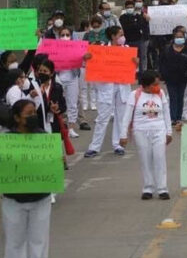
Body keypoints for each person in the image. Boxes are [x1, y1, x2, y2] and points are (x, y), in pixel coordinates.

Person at [2, 99, 53, 258]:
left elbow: (51, 166)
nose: (32, 117)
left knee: (39, 241)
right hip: (13, 200)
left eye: (34, 113)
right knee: (14, 242)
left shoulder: (43, 137)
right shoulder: (7, 140)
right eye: (28, 114)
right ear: (16, 118)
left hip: (40, 197)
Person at [84, 26, 137, 158]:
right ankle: (94, 147)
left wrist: (135, 63)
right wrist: (88, 58)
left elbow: (132, 72)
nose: (122, 37)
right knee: (102, 118)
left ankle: (118, 145)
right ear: (113, 36)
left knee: (121, 117)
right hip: (106, 88)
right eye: (120, 34)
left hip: (122, 87)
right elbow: (90, 64)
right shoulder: (101, 49)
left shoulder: (126, 50)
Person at [119, 70, 172, 200]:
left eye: (158, 84)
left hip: (159, 130)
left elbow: (166, 112)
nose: (157, 87)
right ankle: (148, 187)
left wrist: (168, 131)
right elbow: (127, 116)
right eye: (154, 84)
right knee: (145, 159)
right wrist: (123, 134)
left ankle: (162, 188)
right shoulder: (134, 95)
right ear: (146, 85)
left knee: (159, 158)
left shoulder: (160, 94)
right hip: (141, 130)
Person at [159, 27, 187, 125]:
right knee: (173, 97)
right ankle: (172, 118)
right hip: (170, 78)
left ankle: (179, 117)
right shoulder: (167, 49)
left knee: (180, 97)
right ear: (174, 37)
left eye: (181, 36)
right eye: (177, 37)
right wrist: (163, 74)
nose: (179, 38)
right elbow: (161, 62)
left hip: (183, 78)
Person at [55, 27, 81, 138]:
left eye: (67, 35)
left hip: (72, 78)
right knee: (58, 103)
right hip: (58, 78)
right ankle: (59, 127)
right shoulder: (54, 48)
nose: (65, 37)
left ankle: (71, 128)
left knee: (73, 104)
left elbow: (83, 58)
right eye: (62, 35)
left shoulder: (76, 47)